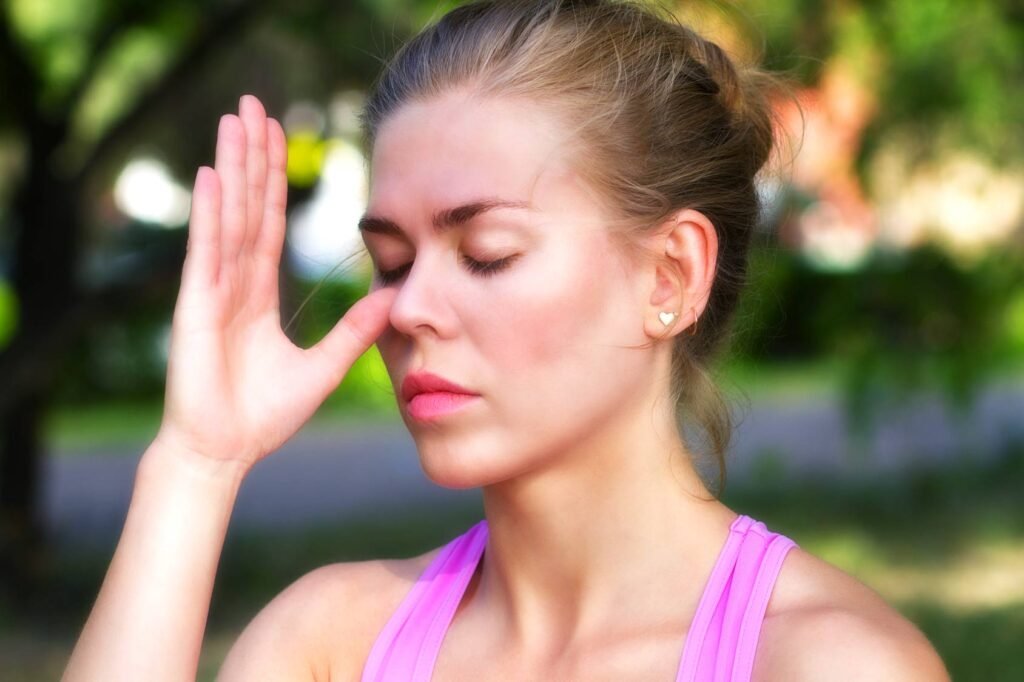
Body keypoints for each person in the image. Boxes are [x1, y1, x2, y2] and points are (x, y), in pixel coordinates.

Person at [64, 0, 950, 680]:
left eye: (486, 254)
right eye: (391, 261)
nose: (409, 308)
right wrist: (195, 466)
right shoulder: (330, 642)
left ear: (669, 276)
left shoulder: (825, 663)